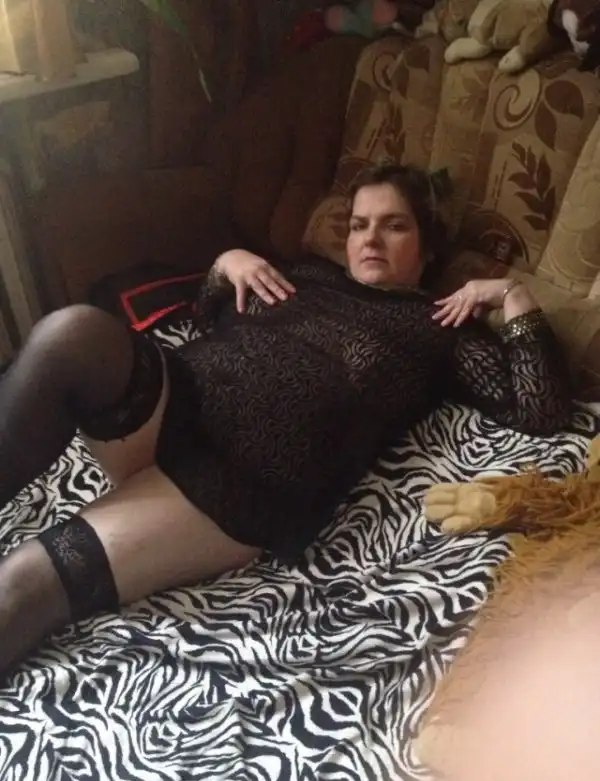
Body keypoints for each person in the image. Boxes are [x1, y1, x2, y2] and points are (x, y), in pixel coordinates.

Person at [0, 164, 571, 675]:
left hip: (230, 484)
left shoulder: (440, 328)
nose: (370, 238)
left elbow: (541, 412)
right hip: (176, 399)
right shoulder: (307, 275)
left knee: (22, 583)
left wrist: (513, 296)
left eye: (394, 225)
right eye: (359, 225)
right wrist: (226, 263)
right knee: (71, 332)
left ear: (427, 243)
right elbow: (208, 315)